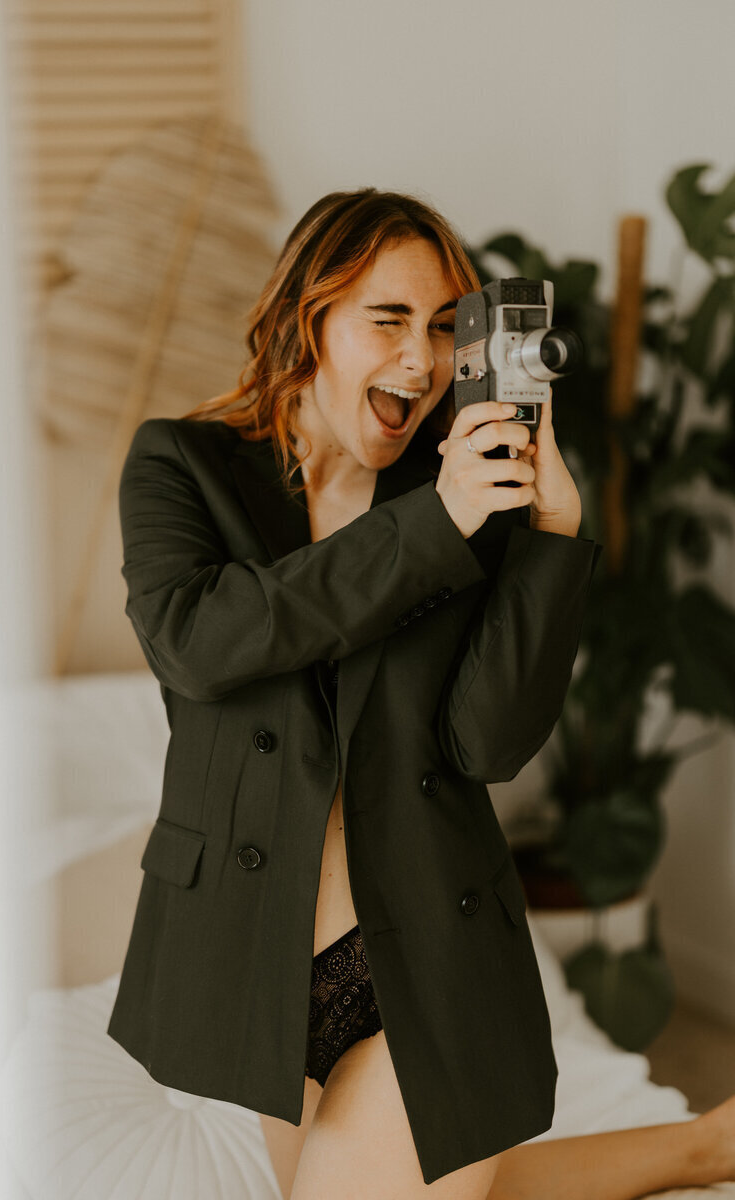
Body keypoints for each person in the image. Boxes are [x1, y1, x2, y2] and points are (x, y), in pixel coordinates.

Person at [107, 189, 734, 1200]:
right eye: (387, 319)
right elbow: (199, 642)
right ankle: (702, 1150)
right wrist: (431, 530)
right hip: (255, 960)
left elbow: (485, 744)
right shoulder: (183, 466)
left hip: (427, 948)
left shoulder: (457, 487)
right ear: (303, 320)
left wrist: (546, 541)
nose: (421, 359)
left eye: (445, 328)